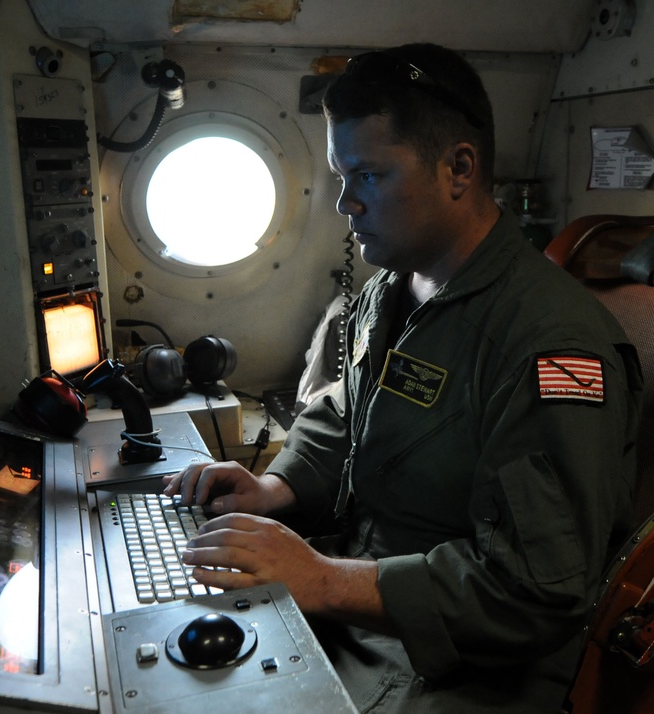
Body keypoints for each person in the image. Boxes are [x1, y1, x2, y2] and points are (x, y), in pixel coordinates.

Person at [163, 43, 643, 713]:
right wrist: (276, 486)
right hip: (363, 597)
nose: (345, 205)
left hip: (467, 666)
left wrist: (324, 580)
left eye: (367, 176)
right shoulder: (392, 289)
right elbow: (347, 410)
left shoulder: (548, 345)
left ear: (459, 169)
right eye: (340, 176)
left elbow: (535, 591)